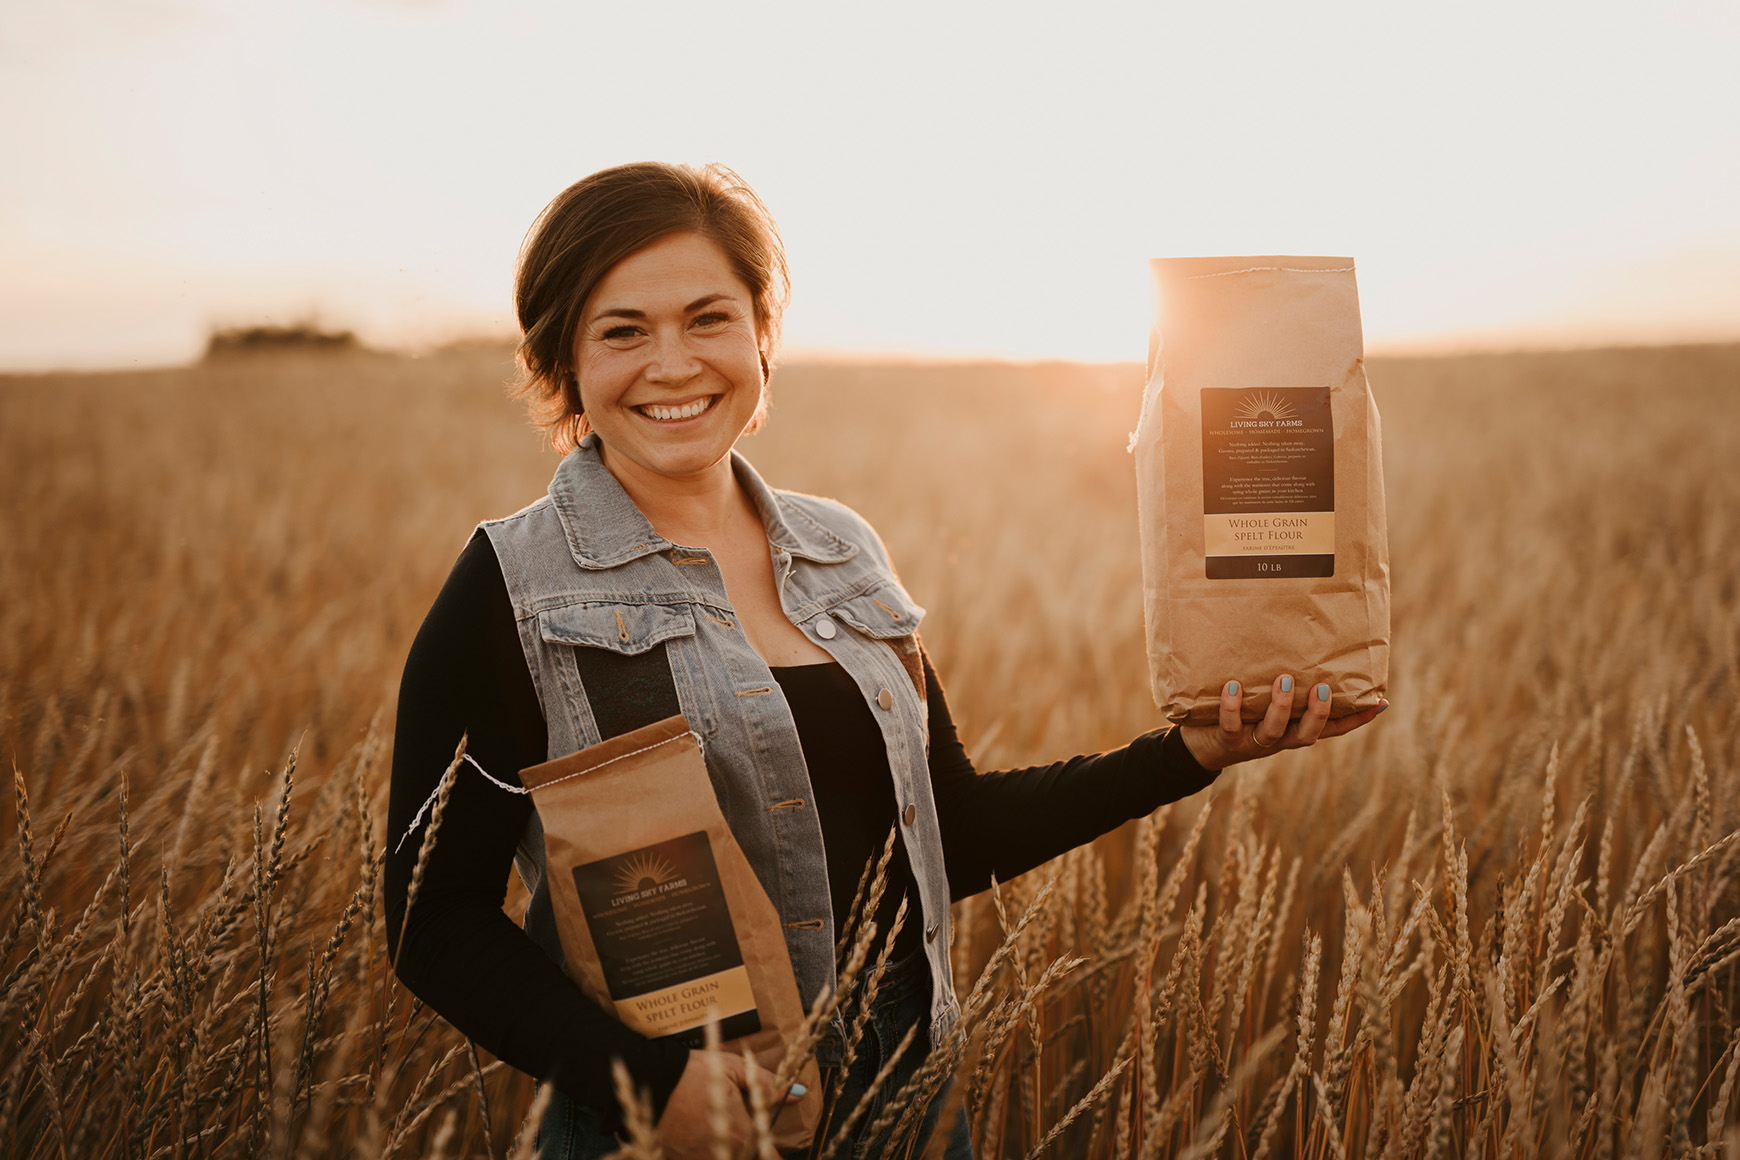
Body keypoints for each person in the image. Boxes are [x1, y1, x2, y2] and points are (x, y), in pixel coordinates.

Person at [384, 161, 1384, 1160]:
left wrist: (1190, 751)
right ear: (562, 355)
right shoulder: (511, 585)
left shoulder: (838, 548)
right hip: (677, 1127)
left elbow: (950, 825)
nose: (674, 363)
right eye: (623, 330)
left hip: (908, 1100)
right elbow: (434, 917)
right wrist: (648, 1085)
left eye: (708, 318)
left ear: (762, 336)